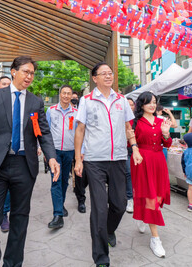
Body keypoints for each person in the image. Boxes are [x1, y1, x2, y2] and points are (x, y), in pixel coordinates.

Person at [0, 56, 60, 267]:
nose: (29, 76)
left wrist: (52, 157)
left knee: (20, 219)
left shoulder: (36, 101)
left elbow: (44, 134)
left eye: (32, 73)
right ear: (13, 71)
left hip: (24, 165)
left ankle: (12, 263)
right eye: (25, 72)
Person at [74, 62, 140, 267]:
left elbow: (129, 127)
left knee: (119, 205)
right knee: (100, 210)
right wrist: (78, 159)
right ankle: (101, 257)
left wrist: (135, 148)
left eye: (110, 73)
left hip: (119, 159)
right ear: (95, 78)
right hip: (94, 161)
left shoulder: (121, 100)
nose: (108, 76)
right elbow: (80, 130)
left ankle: (109, 229)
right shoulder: (86, 100)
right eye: (103, 73)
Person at [130, 92, 172, 258]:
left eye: (154, 102)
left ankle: (141, 214)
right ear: (141, 104)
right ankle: (155, 238)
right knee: (151, 199)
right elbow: (130, 142)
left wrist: (166, 133)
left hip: (159, 161)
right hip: (142, 161)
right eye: (149, 102)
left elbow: (166, 143)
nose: (152, 105)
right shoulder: (135, 122)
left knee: (158, 196)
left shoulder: (161, 121)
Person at [46, 85, 78, 229]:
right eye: (64, 93)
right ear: (60, 95)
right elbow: (45, 131)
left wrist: (80, 152)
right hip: (54, 152)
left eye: (69, 93)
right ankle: (58, 214)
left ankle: (61, 204)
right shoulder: (51, 111)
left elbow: (79, 134)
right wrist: (45, 151)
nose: (66, 96)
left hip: (69, 151)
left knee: (64, 180)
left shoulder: (76, 113)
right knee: (56, 180)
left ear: (72, 96)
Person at [0, 75, 13, 232]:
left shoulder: (15, 104)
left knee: (7, 187)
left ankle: (3, 214)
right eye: (4, 84)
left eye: (9, 84)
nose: (7, 87)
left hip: (11, 155)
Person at [72, 92, 88, 213]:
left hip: (95, 151)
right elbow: (78, 132)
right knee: (80, 178)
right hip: (80, 150)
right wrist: (79, 152)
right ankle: (81, 200)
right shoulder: (76, 114)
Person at [125, 97, 136, 213]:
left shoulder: (137, 119)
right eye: (127, 104)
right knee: (128, 173)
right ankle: (129, 198)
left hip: (136, 149)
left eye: (131, 104)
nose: (129, 106)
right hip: (124, 149)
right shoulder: (120, 118)